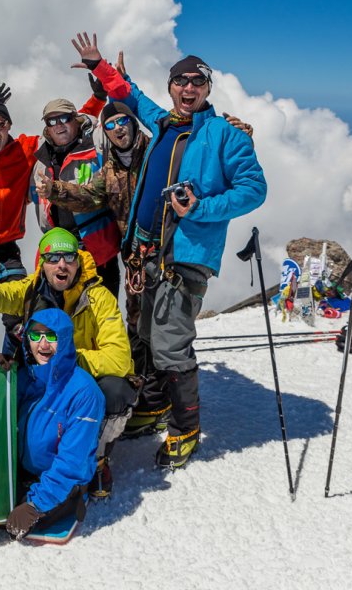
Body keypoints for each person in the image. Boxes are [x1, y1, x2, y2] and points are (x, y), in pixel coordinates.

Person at [101, 38, 268, 470]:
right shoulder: (163, 124)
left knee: (172, 346)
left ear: (208, 89)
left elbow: (254, 189)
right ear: (171, 87)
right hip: (148, 252)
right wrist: (101, 68)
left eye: (197, 82)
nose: (189, 89)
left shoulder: (225, 135)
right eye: (181, 81)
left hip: (185, 255)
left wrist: (202, 208)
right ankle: (154, 407)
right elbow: (132, 98)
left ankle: (185, 428)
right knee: (146, 334)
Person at [0, 227, 135, 498]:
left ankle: (96, 460)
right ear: (42, 264)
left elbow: (119, 359)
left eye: (69, 257)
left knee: (114, 392)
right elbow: (0, 296)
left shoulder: (98, 298)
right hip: (45, 377)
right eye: (53, 257)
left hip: (81, 379)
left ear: (78, 261)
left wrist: (67, 358)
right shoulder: (31, 290)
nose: (61, 264)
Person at [0, 85, 101, 342]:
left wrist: (98, 99)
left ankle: (18, 365)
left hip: (6, 246)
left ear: (9, 125)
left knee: (20, 309)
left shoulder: (24, 149)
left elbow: (62, 128)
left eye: (0, 126)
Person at [4, 308, 105, 540]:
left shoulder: (84, 392)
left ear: (65, 339)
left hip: (62, 485)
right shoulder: (24, 378)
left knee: (13, 520)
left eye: (51, 336)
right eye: (35, 335)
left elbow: (72, 461)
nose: (43, 344)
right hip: (24, 474)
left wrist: (35, 505)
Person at [30, 96, 123, 298]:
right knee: (61, 320)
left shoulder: (96, 146)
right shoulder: (41, 160)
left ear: (76, 119)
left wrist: (103, 91)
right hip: (59, 255)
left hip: (98, 251)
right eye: (52, 122)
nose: (59, 126)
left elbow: (110, 193)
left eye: (64, 118)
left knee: (102, 317)